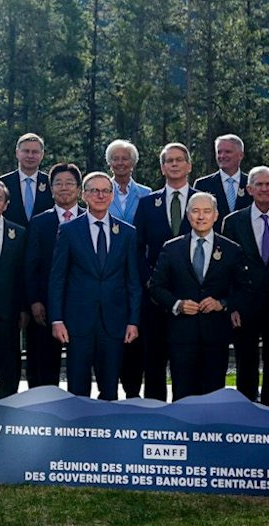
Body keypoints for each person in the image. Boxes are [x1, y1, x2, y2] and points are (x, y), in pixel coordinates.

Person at [49, 172, 142, 399]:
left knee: (110, 388)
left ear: (111, 196)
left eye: (105, 191)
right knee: (78, 389)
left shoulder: (127, 233)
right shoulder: (70, 230)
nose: (100, 195)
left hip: (114, 321)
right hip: (77, 322)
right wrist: (57, 319)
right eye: (94, 190)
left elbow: (133, 281)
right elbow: (58, 278)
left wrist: (133, 321)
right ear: (84, 195)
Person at [151, 192, 252, 398]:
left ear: (216, 215)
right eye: (195, 211)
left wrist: (222, 303)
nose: (201, 216)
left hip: (215, 335)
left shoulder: (232, 250)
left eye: (207, 211)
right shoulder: (172, 248)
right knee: (182, 394)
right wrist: (177, 304)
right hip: (181, 336)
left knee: (213, 396)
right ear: (188, 215)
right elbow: (156, 286)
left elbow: (244, 289)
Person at [129, 141, 196, 400]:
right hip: (155, 298)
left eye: (180, 160)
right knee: (154, 362)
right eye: (169, 160)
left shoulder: (203, 201)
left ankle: (187, 415)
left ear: (189, 166)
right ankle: (155, 415)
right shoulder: (147, 204)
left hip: (192, 298)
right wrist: (149, 282)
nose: (175, 164)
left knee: (186, 364)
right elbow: (137, 248)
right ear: (162, 167)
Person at [222, 165, 269, 406]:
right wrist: (231, 306)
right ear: (249, 189)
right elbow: (226, 269)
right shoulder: (233, 222)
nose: (263, 188)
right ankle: (245, 411)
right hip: (244, 305)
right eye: (258, 184)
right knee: (245, 361)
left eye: (268, 184)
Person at [23, 162, 85, 390]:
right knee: (44, 368)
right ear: (51, 189)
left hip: (82, 305)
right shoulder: (39, 222)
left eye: (69, 183)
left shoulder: (90, 220)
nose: (64, 188)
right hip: (46, 305)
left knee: (80, 368)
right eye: (58, 183)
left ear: (79, 189)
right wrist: (34, 301)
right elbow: (31, 266)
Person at [0, 181, 31, 399]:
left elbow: (23, 274)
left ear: (6, 204)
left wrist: (23, 308)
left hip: (9, 308)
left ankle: (7, 403)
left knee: (10, 359)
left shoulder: (18, 233)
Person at [0, 133, 51, 222]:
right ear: (17, 153)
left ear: (42, 155)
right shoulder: (2, 184)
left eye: (35, 152)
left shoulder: (51, 183)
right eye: (26, 151)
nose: (30, 156)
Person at [194, 134, 247, 217]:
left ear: (240, 155)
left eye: (227, 152)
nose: (222, 156)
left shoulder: (252, 184)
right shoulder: (202, 185)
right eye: (219, 152)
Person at [105, 138, 149, 225]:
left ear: (133, 162)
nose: (120, 163)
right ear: (109, 163)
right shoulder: (101, 193)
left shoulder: (146, 194)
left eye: (125, 159)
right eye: (115, 159)